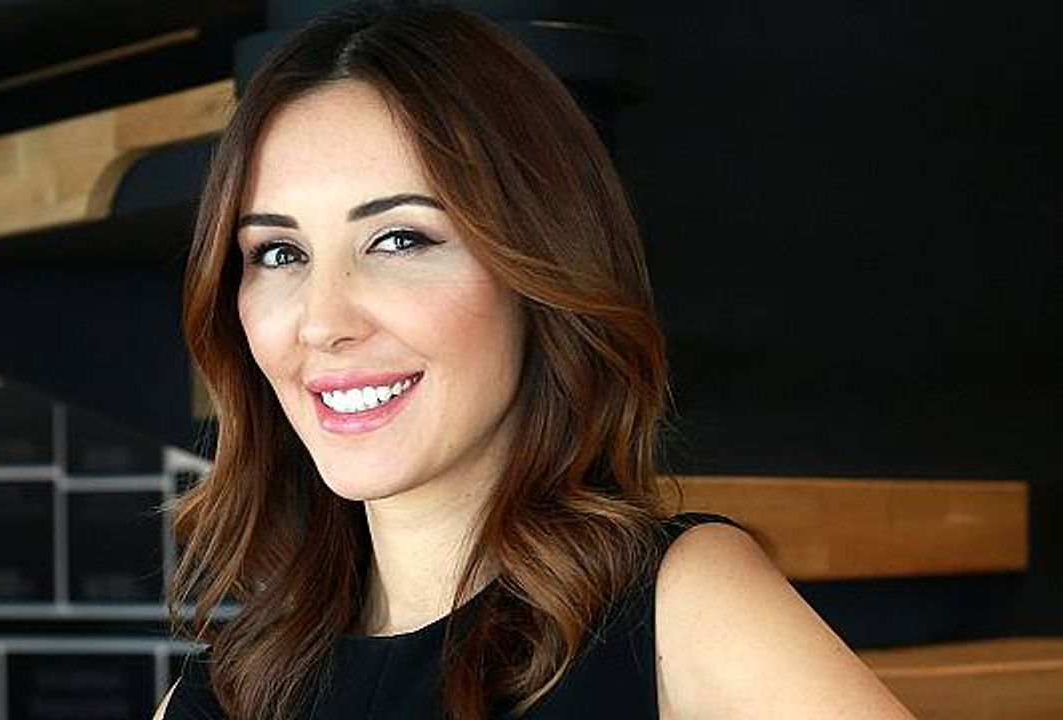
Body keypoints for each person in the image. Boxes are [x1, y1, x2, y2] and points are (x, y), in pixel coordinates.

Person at [158, 3, 914, 718]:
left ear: (537, 267)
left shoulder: (679, 609)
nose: (324, 322)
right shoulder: (225, 694)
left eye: (400, 240)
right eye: (278, 252)